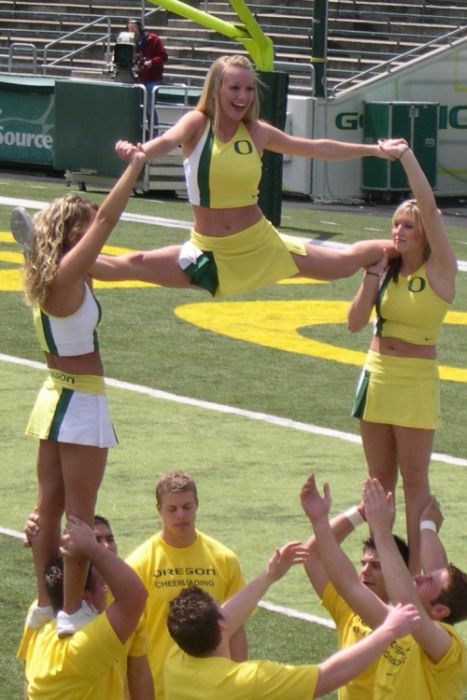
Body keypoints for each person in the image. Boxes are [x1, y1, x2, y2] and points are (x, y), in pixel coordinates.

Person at [90, 55, 403, 298]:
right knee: (131, 265)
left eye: (249, 89)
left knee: (340, 266)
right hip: (208, 252)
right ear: (216, 90)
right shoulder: (197, 123)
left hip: (260, 245)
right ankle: (55, 261)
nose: (243, 96)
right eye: (235, 88)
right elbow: (166, 142)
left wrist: (374, 149)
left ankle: (415, 246)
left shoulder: (257, 132)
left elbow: (316, 148)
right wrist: (139, 152)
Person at [11, 144, 147, 637]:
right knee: (80, 516)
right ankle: (72, 608)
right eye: (86, 226)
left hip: (53, 395)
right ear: (74, 234)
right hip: (82, 400)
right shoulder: (68, 275)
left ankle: (45, 604)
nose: (97, 230)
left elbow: (116, 254)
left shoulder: (50, 275)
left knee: (48, 505)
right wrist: (133, 168)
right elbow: (109, 219)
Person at [347, 140, 457, 573]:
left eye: (408, 227)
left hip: (414, 382)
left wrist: (406, 156)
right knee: (378, 483)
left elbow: (429, 208)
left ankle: (417, 573)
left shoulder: (440, 270)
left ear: (425, 233)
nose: (399, 232)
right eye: (395, 225)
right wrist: (371, 275)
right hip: (377, 375)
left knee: (415, 483)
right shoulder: (387, 269)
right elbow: (355, 323)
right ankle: (379, 563)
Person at [164, 540, 420, 700]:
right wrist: (389, 629)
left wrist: (269, 576)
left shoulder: (176, 660)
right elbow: (329, 676)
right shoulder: (248, 681)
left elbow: (226, 616)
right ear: (221, 625)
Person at [303, 474, 467, 699]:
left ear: (439, 611)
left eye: (428, 580)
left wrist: (381, 529)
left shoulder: (449, 647)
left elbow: (407, 599)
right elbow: (350, 585)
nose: (418, 576)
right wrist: (320, 522)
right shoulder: (397, 622)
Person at [125, 470, 247, 699]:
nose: (180, 515)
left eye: (187, 507)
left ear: (197, 505)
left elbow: (236, 627)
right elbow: (129, 641)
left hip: (215, 689)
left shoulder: (224, 559)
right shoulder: (139, 564)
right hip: (161, 689)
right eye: (172, 509)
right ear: (158, 509)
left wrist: (240, 683)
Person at [20, 510, 155, 700]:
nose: (106, 547)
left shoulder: (41, 620)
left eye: (110, 538)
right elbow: (135, 596)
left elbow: (139, 672)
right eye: (96, 540)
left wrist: (42, 531)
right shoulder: (80, 647)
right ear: (87, 596)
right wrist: (88, 547)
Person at [301, 496, 409, 700]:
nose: (365, 571)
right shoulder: (348, 607)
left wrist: (427, 526)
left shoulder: (416, 619)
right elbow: (311, 555)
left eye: (376, 566)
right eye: (363, 563)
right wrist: (359, 514)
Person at [128, 18, 168, 131]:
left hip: (152, 77)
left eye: (134, 29)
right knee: (137, 107)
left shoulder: (153, 39)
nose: (132, 32)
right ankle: (140, 132)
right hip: (137, 78)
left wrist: (152, 62)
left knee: (149, 106)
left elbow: (163, 57)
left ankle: (153, 132)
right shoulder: (130, 42)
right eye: (130, 29)